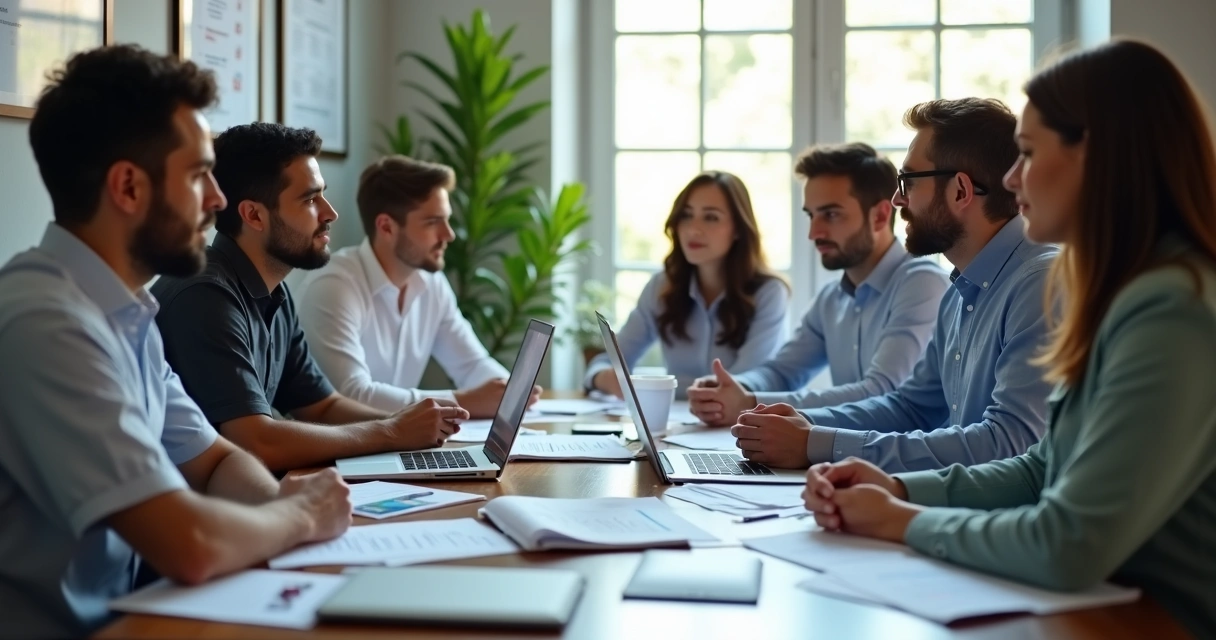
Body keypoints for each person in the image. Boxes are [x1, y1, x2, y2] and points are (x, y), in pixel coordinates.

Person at [801, 40, 1216, 638]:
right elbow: (1040, 469)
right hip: (1105, 604)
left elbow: (1066, 542)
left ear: (1098, 157)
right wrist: (894, 486)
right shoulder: (1120, 289)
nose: (1012, 178)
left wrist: (902, 520)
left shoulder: (1172, 308)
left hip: (1151, 619)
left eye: (1026, 153)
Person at [0, 45, 352, 638]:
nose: (217, 201)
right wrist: (299, 514)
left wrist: (273, 507)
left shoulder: (124, 311)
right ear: (129, 188)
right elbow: (188, 544)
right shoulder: (45, 322)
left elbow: (216, 460)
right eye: (197, 176)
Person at [731, 98, 1058, 472]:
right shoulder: (960, 292)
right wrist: (805, 425)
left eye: (908, 181)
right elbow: (911, 407)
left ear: (961, 191)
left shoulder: (1039, 285)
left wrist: (816, 443)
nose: (897, 198)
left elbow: (1009, 444)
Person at [150, 123, 469, 473]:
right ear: (254, 215)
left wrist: (413, 424)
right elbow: (255, 441)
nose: (330, 212)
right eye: (310, 199)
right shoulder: (206, 296)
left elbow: (322, 406)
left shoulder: (275, 292)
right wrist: (391, 431)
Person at [687, 143, 948, 427]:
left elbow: (882, 392)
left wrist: (749, 403)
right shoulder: (832, 299)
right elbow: (782, 372)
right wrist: (733, 388)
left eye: (831, 214)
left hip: (903, 466)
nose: (814, 233)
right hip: (846, 457)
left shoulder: (922, 284)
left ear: (880, 216)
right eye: (811, 215)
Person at [296, 155, 539, 418]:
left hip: (391, 445)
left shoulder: (431, 283)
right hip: (331, 452)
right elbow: (351, 395)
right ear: (387, 227)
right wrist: (462, 402)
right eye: (433, 222)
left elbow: (471, 365)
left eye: (446, 220)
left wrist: (511, 392)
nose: (449, 235)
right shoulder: (334, 287)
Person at [584, 171, 789, 399]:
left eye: (711, 217)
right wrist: (606, 378)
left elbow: (746, 384)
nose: (693, 229)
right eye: (686, 215)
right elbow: (604, 362)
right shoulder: (662, 287)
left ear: (739, 229)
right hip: (673, 427)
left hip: (738, 426)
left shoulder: (769, 293)